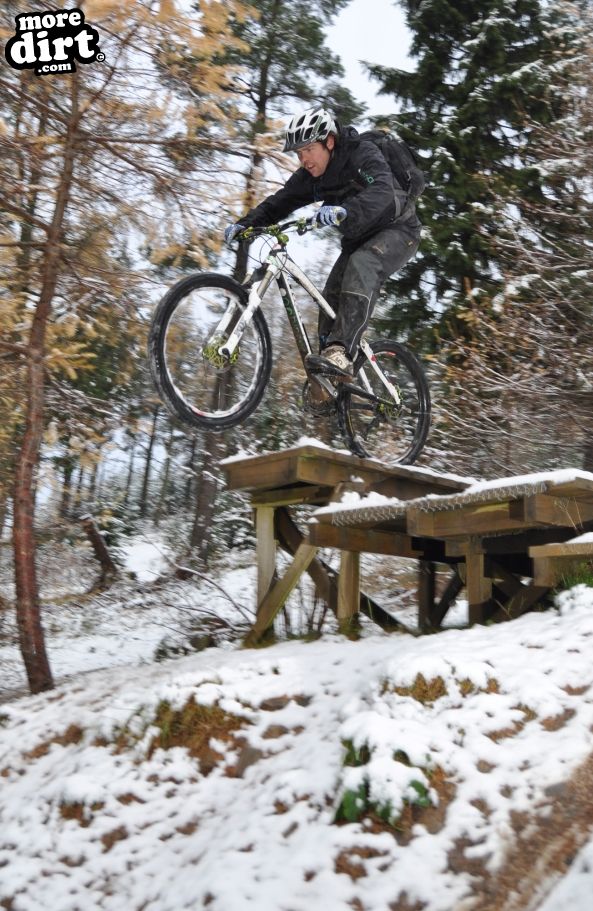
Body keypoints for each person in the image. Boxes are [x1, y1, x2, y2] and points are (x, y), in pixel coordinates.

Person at [224, 107, 421, 380]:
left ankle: (341, 351)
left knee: (363, 265)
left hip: (399, 231)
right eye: (298, 153)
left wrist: (347, 211)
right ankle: (328, 379)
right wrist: (246, 224)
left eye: (308, 149)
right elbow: (281, 201)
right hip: (359, 240)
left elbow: (382, 190)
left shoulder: (361, 154)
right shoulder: (311, 177)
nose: (303, 159)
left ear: (329, 142)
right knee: (331, 297)